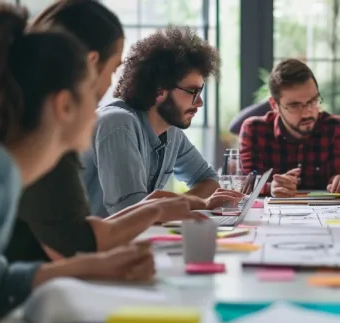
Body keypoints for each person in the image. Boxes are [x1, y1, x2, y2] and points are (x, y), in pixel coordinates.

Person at [5, 0, 213, 263]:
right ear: (91, 64)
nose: (107, 87)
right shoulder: (47, 137)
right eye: (114, 68)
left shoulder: (20, 123)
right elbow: (76, 246)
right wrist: (155, 209)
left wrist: (160, 207)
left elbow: (68, 242)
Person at [0, 5, 156, 323]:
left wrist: (79, 268)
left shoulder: (6, 173)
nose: (97, 112)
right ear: (64, 105)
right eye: (90, 98)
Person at [82, 25, 241, 217]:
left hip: (133, 239)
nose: (199, 102)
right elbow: (130, 211)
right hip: (90, 245)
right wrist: (198, 203)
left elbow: (208, 180)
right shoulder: (118, 123)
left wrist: (185, 204)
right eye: (193, 92)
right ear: (159, 90)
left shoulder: (171, 132)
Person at [239, 59, 340, 197]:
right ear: (274, 105)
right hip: (270, 215)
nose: (307, 112)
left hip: (325, 215)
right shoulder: (255, 130)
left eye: (313, 101)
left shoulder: (335, 128)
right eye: (295, 105)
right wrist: (270, 188)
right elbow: (247, 184)